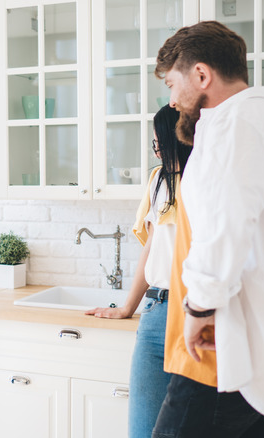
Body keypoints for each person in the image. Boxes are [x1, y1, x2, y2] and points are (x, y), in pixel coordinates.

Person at [151, 21, 264, 438]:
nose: (172, 100)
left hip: (225, 350)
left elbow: (226, 226)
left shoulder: (237, 128)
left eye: (173, 84)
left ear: (201, 74)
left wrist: (199, 308)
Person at [86, 104, 191, 438]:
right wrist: (128, 308)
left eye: (160, 138)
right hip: (157, 314)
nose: (156, 146)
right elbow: (152, 247)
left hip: (197, 315)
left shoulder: (206, 181)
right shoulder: (158, 180)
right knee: (143, 429)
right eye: (155, 141)